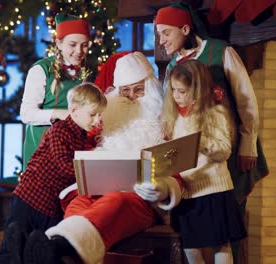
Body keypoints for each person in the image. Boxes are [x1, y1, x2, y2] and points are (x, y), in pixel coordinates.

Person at [21, 52, 184, 264]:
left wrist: (162, 187)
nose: (132, 97)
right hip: (99, 189)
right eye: (125, 91)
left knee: (116, 201)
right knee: (80, 202)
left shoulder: (166, 121)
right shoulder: (103, 120)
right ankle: (60, 249)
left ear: (151, 88)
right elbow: (79, 150)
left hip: (140, 199)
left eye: (139, 90)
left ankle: (59, 247)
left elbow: (178, 166)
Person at [155, 3, 268, 262]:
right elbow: (169, 111)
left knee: (224, 227)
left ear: (185, 29)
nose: (161, 41)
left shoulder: (220, 51)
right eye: (159, 34)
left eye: (166, 33)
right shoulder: (173, 66)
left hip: (226, 149)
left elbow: (245, 99)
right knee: (196, 235)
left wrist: (248, 143)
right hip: (192, 167)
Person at [0, 83, 107, 264]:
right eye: (93, 115)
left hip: (50, 204)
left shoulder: (81, 136)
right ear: (74, 110)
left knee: (43, 250)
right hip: (29, 196)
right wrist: (94, 174)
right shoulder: (60, 130)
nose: (97, 120)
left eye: (100, 115)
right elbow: (64, 165)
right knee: (10, 252)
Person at [165, 59, 246, 263]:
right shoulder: (176, 115)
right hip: (187, 191)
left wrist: (200, 141)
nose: (176, 96)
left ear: (198, 88)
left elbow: (224, 151)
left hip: (213, 190)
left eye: (182, 91)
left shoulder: (214, 112)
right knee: (191, 247)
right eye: (174, 90)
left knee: (221, 244)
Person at [20, 13, 91, 170]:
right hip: (42, 154)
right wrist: (59, 113)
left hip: (73, 152)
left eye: (84, 45)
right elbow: (26, 114)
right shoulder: (41, 69)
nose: (79, 51)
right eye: (72, 44)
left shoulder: (87, 72)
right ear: (59, 43)